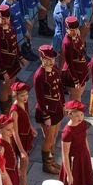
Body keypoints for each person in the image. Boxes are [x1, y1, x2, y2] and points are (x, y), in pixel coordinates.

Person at [33, 45, 63, 174]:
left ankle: (53, 161)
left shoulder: (55, 69)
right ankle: (47, 164)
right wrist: (46, 116)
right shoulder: (40, 75)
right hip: (47, 112)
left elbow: (59, 88)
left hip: (57, 108)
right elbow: (40, 98)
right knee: (49, 138)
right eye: (48, 59)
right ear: (42, 59)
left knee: (55, 136)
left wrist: (63, 104)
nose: (51, 61)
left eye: (52, 59)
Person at [59, 100, 93, 185]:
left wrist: (88, 154)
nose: (80, 118)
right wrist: (69, 174)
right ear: (69, 114)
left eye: (82, 114)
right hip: (73, 163)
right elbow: (65, 154)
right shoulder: (67, 133)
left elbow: (84, 138)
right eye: (77, 115)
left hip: (83, 157)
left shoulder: (82, 124)